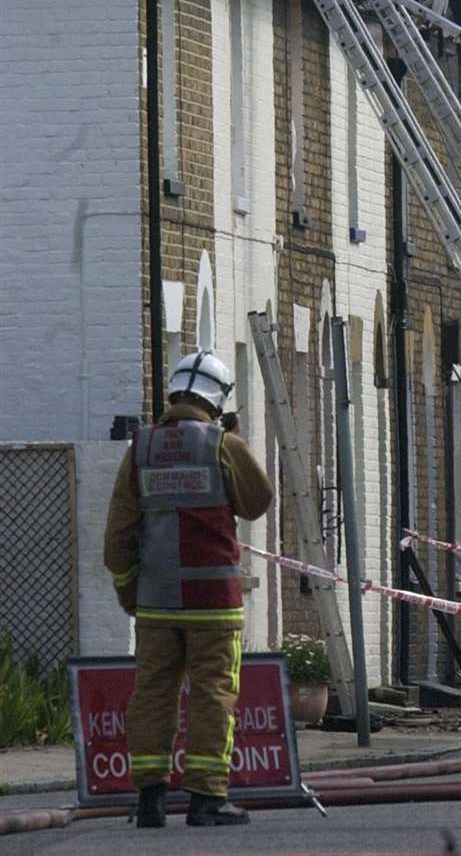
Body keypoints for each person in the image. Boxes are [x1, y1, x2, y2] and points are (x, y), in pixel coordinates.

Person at [104, 351, 273, 829]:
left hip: (157, 604)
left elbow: (117, 537)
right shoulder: (222, 442)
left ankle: (150, 801)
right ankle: (206, 799)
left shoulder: (141, 448)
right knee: (213, 693)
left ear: (173, 393)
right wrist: (235, 444)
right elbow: (257, 501)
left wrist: (129, 592)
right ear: (217, 402)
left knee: (152, 692)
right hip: (213, 605)